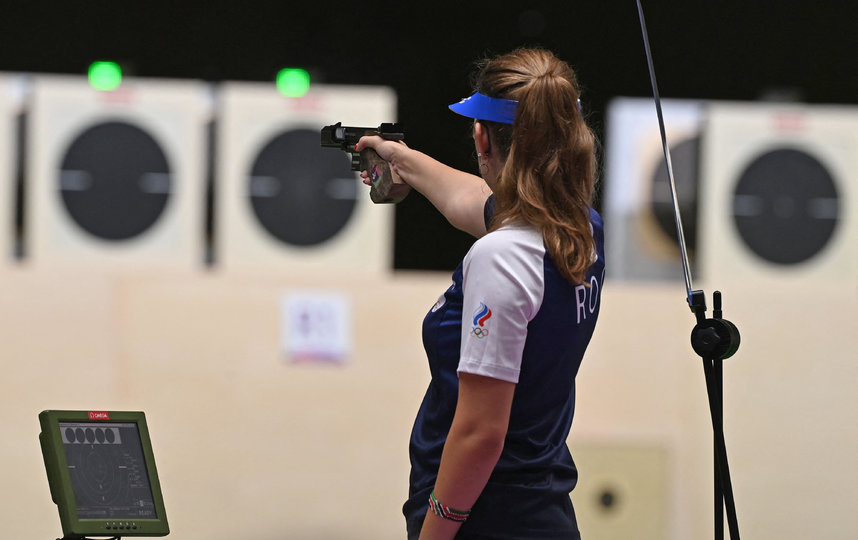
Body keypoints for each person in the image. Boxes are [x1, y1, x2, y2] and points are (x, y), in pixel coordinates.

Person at [356, 47, 605, 540]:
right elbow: (475, 199)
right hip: (541, 508)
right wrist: (403, 160)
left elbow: (480, 434)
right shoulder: (580, 229)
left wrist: (433, 534)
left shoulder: (501, 257)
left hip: (484, 519)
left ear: (481, 137)